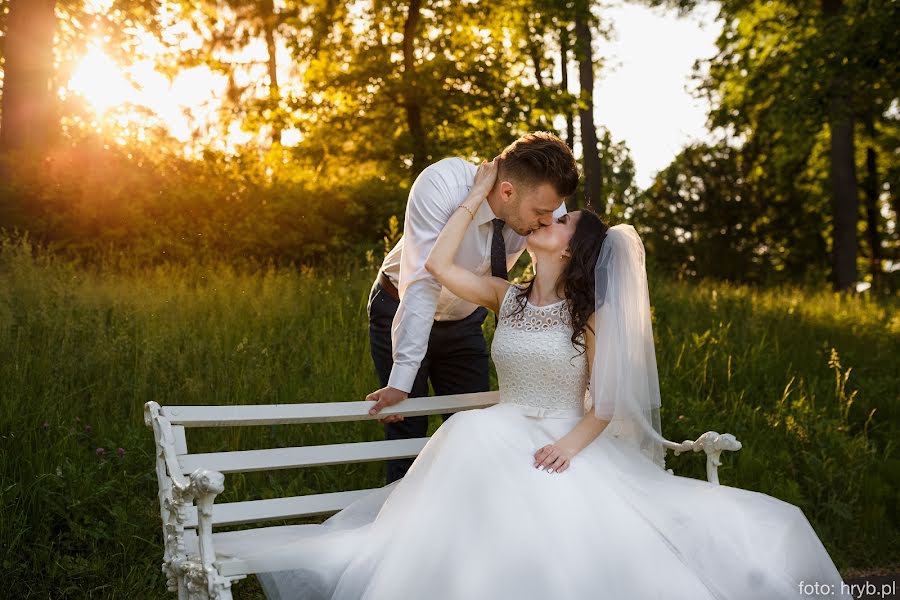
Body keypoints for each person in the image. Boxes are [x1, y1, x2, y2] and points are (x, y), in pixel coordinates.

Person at [254, 159, 852, 599]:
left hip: (563, 440)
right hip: (495, 432)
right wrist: (476, 197)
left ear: (572, 251)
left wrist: (567, 448)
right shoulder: (504, 297)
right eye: (547, 214)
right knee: (467, 485)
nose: (547, 221)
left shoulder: (590, 316)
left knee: (553, 518)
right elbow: (434, 267)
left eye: (560, 223)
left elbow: (606, 404)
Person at [365, 132, 575, 483]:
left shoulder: (545, 202)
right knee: (406, 430)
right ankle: (400, 526)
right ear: (507, 191)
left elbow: (557, 271)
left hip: (466, 320)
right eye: (541, 213)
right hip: (400, 305)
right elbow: (422, 282)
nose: (547, 221)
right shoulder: (442, 184)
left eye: (552, 213)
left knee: (475, 432)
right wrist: (402, 377)